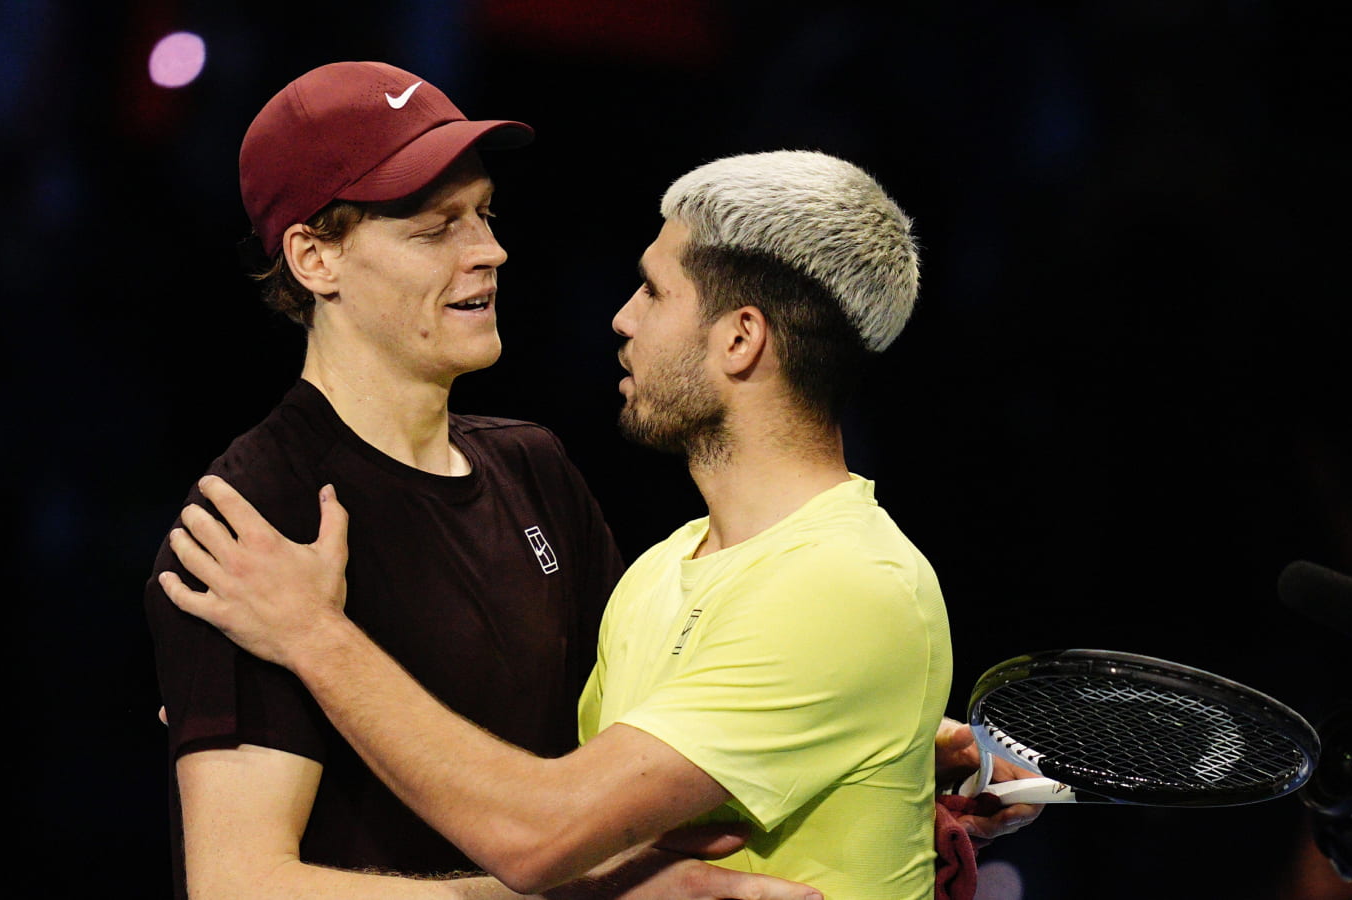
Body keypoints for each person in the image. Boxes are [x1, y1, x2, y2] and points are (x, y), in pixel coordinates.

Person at [161, 148, 1035, 899]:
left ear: (740, 342)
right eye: (437, 225)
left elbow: (541, 831)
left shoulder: (851, 586)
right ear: (313, 259)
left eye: (654, 292)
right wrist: (886, 746)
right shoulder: (659, 570)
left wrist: (312, 635)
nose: (620, 317)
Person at [144, 60, 841, 900]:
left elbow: (660, 736)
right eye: (436, 228)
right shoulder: (251, 525)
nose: (490, 251)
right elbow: (238, 885)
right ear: (314, 258)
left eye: (484, 215)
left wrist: (871, 737)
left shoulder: (532, 466)